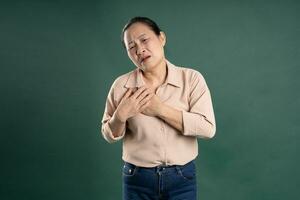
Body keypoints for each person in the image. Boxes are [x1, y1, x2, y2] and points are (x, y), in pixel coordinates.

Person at [101, 16, 216, 200]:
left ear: (161, 38)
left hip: (182, 178)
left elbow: (208, 129)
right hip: (137, 178)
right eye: (131, 47)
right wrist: (120, 116)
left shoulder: (192, 79)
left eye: (144, 40)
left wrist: (159, 109)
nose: (140, 49)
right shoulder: (121, 85)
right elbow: (108, 134)